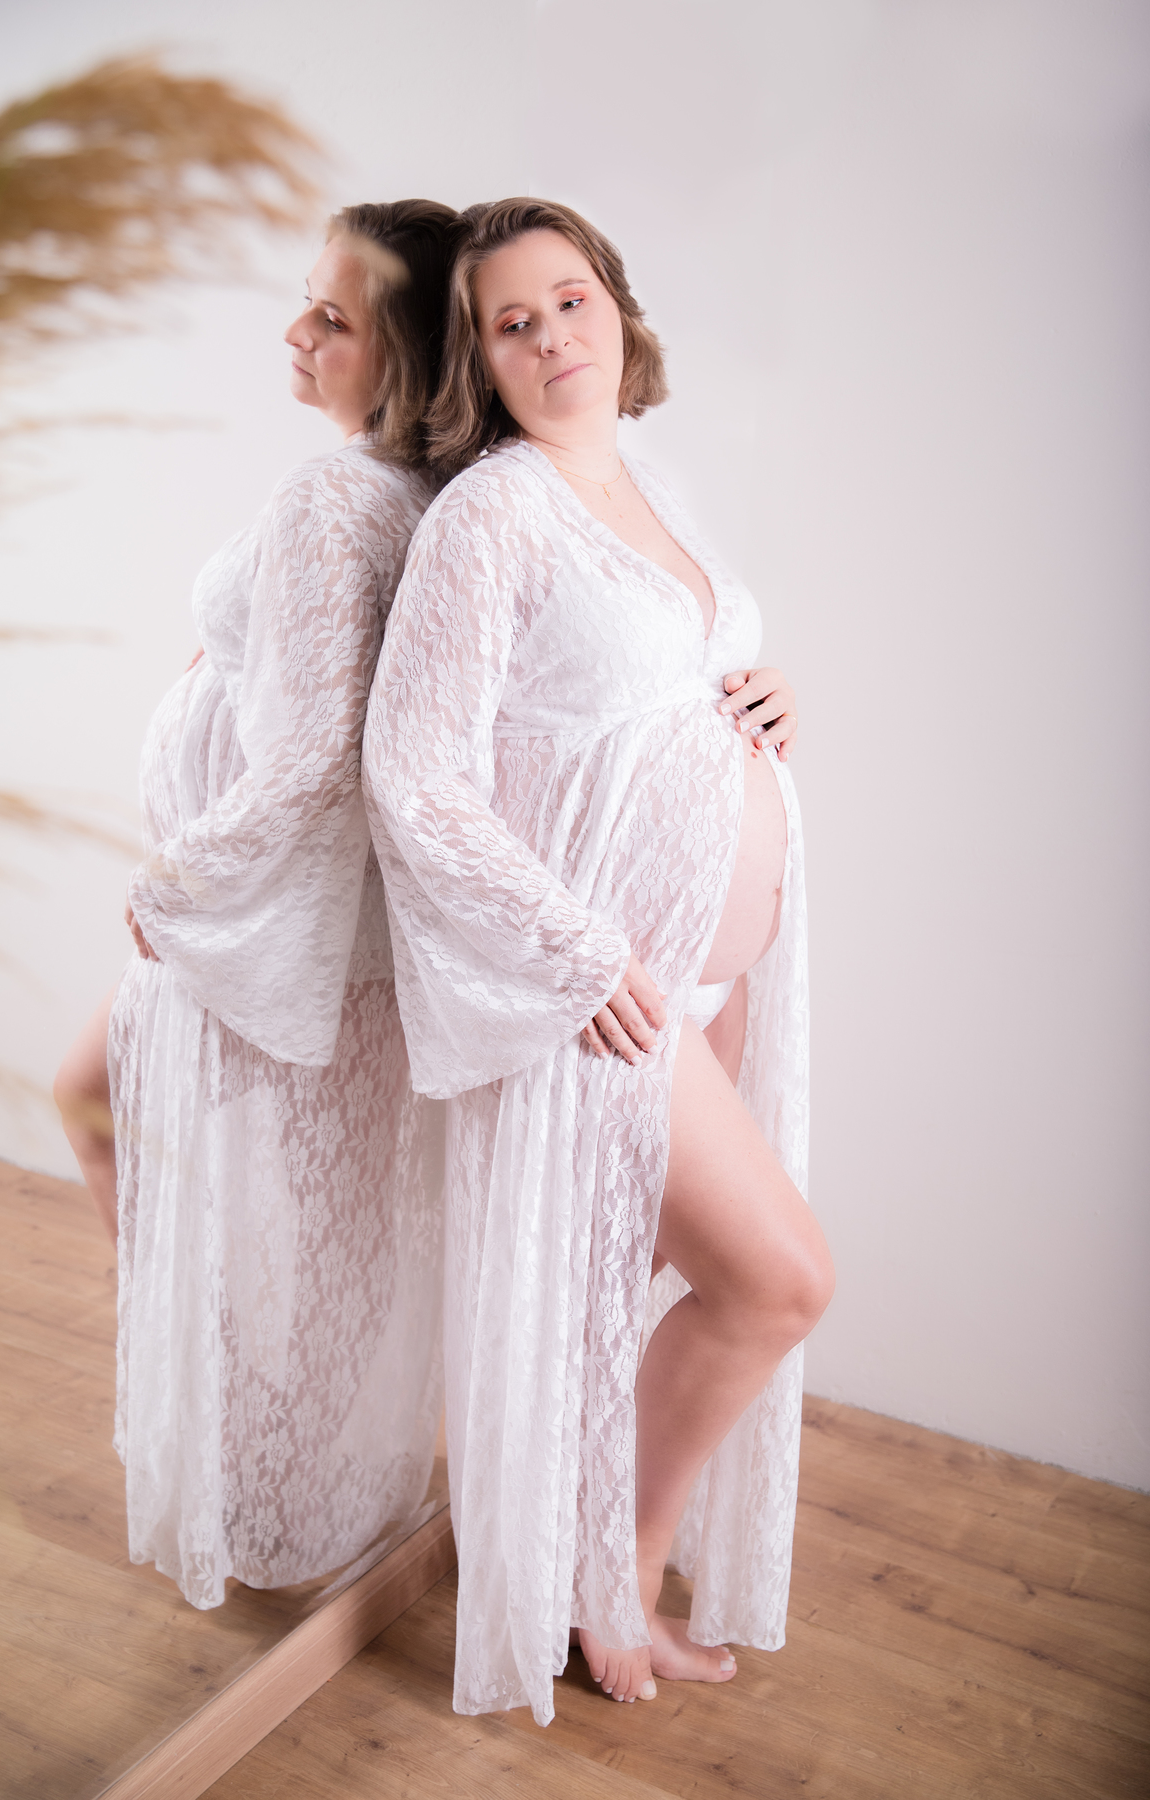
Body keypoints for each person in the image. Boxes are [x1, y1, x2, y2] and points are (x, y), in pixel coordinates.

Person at [363, 197, 834, 1725]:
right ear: (481, 363)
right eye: (513, 323)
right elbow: (415, 775)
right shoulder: (491, 517)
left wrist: (761, 694)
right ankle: (606, 1576)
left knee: (631, 1291)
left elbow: (658, 683)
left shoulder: (650, 480)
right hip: (611, 1001)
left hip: (711, 981)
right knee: (778, 1282)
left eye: (571, 300)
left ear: (617, 309)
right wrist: (575, 956)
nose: (554, 336)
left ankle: (586, 1555)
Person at [53, 199, 458, 1608]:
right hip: (333, 930)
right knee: (293, 1203)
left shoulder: (336, 495)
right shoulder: (418, 493)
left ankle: (240, 1431)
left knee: (121, 1121)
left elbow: (311, 754)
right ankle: (268, 1433)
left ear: (406, 354)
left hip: (263, 921)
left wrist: (176, 881)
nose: (295, 331)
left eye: (333, 318)